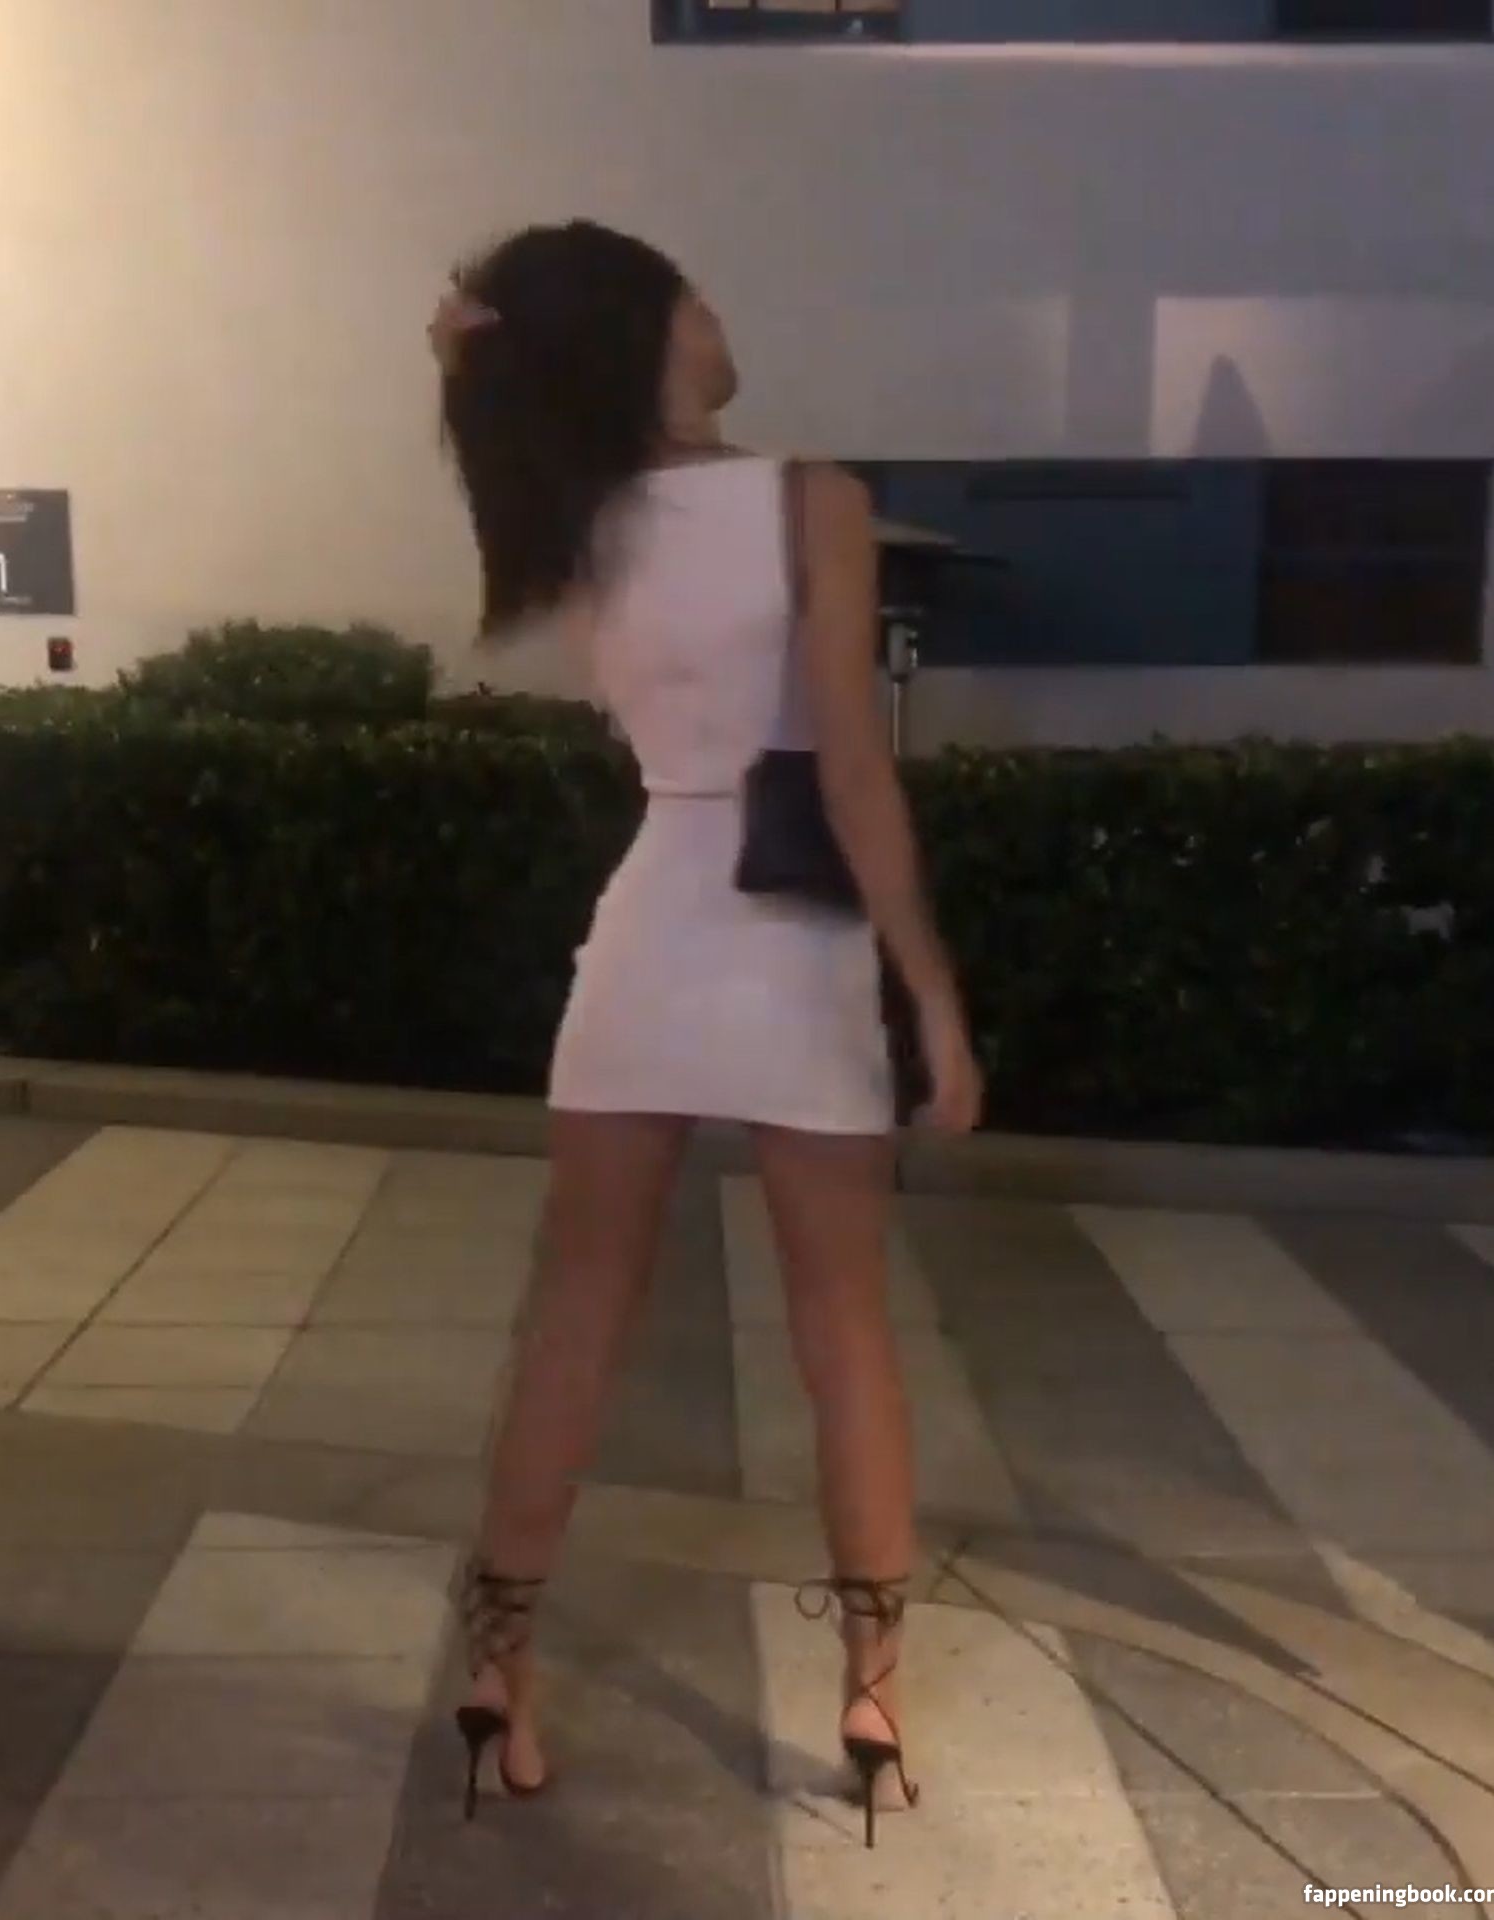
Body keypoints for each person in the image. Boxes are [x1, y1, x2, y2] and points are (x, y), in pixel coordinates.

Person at [431, 219, 982, 1847]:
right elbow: (852, 770)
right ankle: (873, 1687)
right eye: (695, 296)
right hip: (795, 935)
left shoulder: (571, 512)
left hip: (652, 922)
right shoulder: (815, 500)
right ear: (652, 330)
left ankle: (500, 1664)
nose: (721, 317)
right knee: (845, 1325)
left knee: (578, 1310)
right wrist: (933, 992)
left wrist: (477, 356)